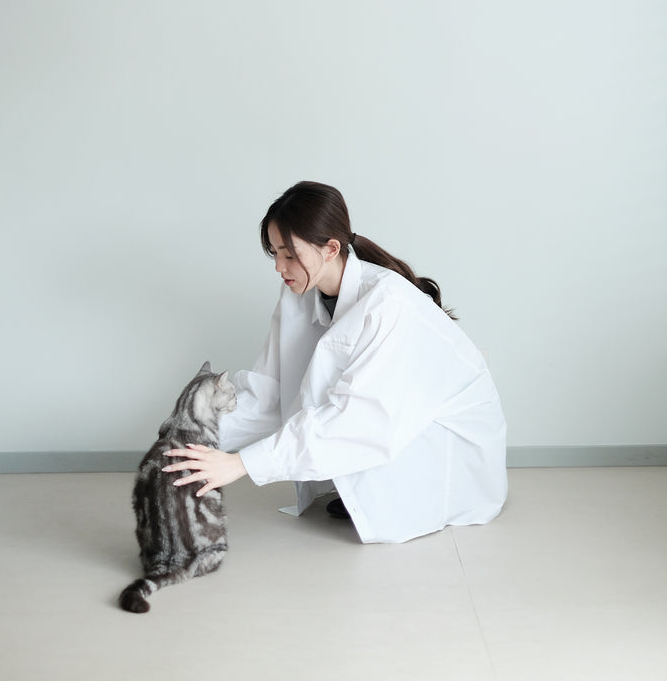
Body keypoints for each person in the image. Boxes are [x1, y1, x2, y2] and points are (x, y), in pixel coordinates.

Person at [163, 181, 507, 543]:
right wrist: (192, 437)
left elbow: (360, 419)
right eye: (275, 253)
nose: (279, 266)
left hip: (445, 442)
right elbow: (270, 391)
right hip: (384, 421)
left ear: (331, 249)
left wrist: (241, 464)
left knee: (372, 471)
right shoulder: (298, 292)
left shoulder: (388, 303)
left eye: (290, 255)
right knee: (347, 455)